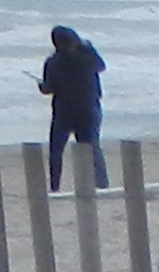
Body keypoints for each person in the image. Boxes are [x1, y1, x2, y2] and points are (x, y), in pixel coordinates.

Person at [38, 24, 107, 190]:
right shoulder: (87, 58)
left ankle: (55, 187)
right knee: (92, 148)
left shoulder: (53, 62)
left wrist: (42, 87)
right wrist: (89, 47)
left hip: (63, 111)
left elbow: (49, 88)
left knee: (56, 151)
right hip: (88, 108)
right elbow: (101, 66)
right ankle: (102, 184)